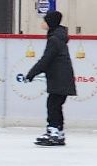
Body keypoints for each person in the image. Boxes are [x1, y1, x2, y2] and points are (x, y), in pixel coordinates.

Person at [25, 9, 75, 147]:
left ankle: (53, 132)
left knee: (52, 105)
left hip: (60, 78)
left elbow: (46, 59)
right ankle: (58, 132)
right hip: (62, 78)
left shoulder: (54, 39)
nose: (42, 23)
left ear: (50, 23)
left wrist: (31, 73)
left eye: (45, 20)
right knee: (56, 105)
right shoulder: (58, 37)